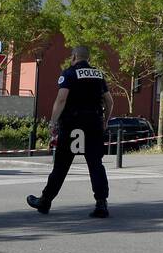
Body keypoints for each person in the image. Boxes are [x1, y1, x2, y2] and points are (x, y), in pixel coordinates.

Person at [27, 46, 115, 219]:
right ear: (87, 58)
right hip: (94, 125)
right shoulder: (98, 75)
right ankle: (101, 203)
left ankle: (45, 201)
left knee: (61, 166)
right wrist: (104, 121)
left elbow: (61, 99)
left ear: (74, 56)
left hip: (73, 125)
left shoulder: (69, 73)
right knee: (96, 165)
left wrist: (53, 122)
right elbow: (109, 101)